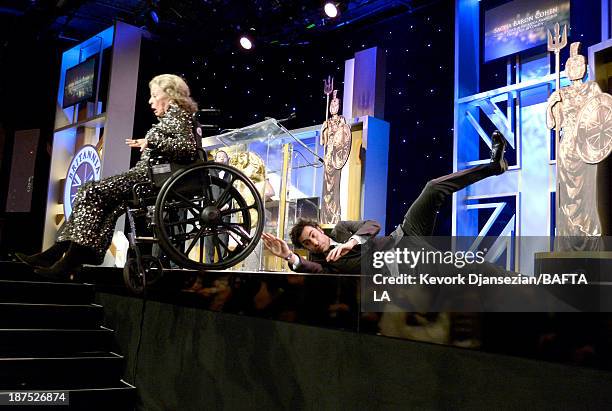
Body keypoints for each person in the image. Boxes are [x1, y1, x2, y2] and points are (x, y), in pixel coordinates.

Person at [16, 74, 198, 278]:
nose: (150, 101)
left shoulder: (178, 113)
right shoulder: (171, 116)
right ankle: (67, 254)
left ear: (170, 96)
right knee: (99, 201)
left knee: (90, 190)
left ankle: (68, 254)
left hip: (151, 179)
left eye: (154, 95)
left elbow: (188, 148)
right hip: (146, 177)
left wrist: (152, 141)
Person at [261, 130, 508, 274]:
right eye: (307, 243)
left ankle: (494, 166)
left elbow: (373, 225)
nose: (313, 242)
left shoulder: (340, 229)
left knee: (433, 187)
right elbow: (309, 268)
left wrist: (351, 243)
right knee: (465, 268)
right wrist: (290, 258)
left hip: (405, 233)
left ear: (317, 229)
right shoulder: (324, 265)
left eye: (312, 234)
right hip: (405, 261)